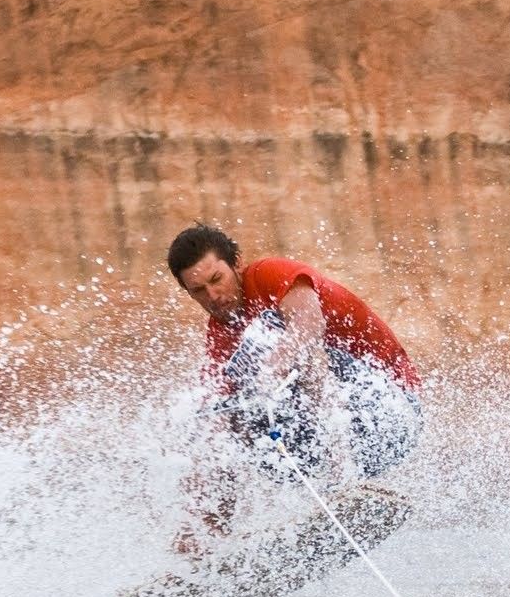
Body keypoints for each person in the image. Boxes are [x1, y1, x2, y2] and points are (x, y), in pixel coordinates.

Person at [167, 223, 423, 547]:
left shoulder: (269, 274)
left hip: (391, 413)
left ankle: (343, 482)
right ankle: (205, 536)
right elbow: (216, 425)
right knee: (218, 416)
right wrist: (197, 506)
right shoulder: (220, 337)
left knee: (288, 342)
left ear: (237, 264)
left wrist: (274, 367)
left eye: (217, 279)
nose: (213, 296)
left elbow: (308, 325)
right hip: (328, 447)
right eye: (198, 290)